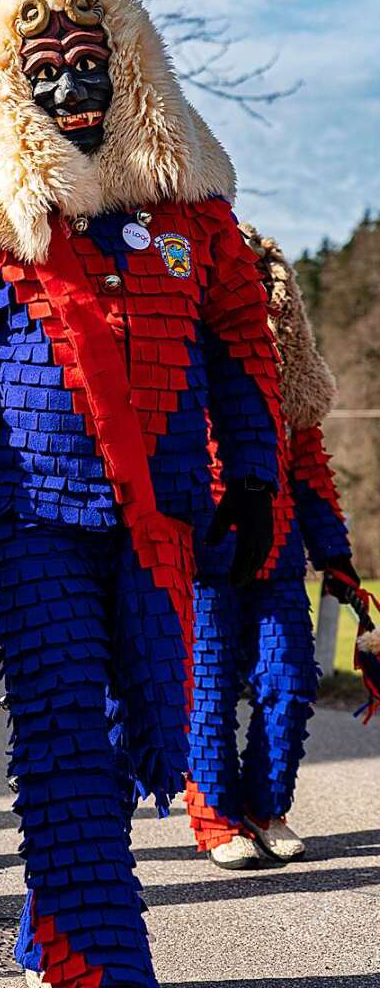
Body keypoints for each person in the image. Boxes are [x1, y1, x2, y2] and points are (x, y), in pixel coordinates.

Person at [0, 0, 284, 984]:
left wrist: (256, 479)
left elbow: (241, 344)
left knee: (154, 729)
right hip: (30, 513)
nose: (68, 87)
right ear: (9, 84)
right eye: (43, 69)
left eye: (90, 63)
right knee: (62, 728)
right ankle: (97, 957)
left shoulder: (195, 220)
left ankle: (56, 920)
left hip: (164, 511)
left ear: (130, 67)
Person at [186, 225, 358, 870]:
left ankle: (267, 807)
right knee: (205, 689)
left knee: (290, 682)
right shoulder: (176, 370)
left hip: (280, 557)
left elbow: (310, 469)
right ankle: (215, 819)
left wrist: (335, 555)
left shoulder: (288, 386)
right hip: (202, 560)